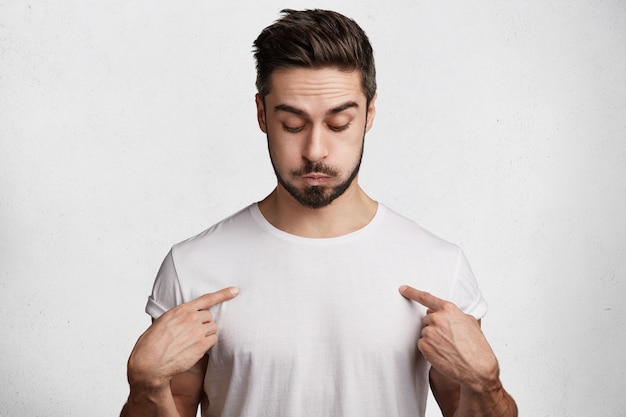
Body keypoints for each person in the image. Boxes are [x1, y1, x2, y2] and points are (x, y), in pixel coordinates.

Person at [121, 9, 518, 417]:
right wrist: (145, 385)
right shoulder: (195, 267)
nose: (315, 150)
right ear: (261, 114)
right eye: (293, 124)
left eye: (339, 123)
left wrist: (486, 383)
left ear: (369, 114)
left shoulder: (438, 267)